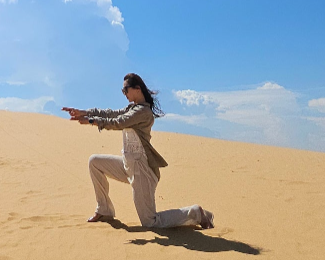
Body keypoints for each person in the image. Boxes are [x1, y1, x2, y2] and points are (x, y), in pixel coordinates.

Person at [62, 73, 214, 229]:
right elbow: (110, 113)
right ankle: (104, 209)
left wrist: (91, 121)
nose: (124, 94)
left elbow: (119, 122)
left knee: (150, 221)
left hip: (142, 171)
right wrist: (84, 112)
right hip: (128, 165)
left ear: (137, 88)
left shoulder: (143, 112)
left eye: (125, 90)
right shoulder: (132, 108)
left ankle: (195, 213)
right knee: (95, 162)